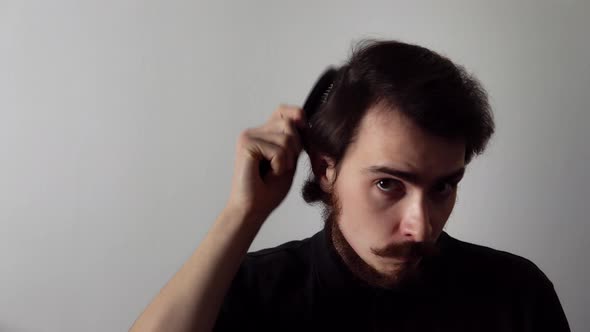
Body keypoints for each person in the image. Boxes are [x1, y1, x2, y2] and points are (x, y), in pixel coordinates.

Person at [129, 39, 570, 332]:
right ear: (326, 169)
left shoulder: (516, 296)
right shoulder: (253, 292)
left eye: (442, 188)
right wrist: (243, 214)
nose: (420, 227)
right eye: (388, 184)